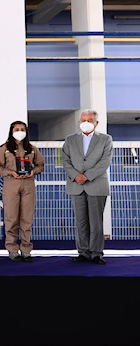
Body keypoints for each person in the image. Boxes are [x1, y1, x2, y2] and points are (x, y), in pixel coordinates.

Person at [62, 109, 113, 265]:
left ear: (96, 123)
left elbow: (105, 162)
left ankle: (96, 253)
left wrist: (87, 176)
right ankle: (83, 252)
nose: (86, 123)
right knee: (81, 222)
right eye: (83, 120)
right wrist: (76, 175)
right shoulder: (70, 140)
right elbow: (66, 160)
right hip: (76, 185)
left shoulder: (105, 139)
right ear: (79, 122)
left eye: (90, 120)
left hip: (96, 184)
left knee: (96, 222)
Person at [0, 121, 45, 262]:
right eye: (17, 129)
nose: (20, 131)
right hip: (11, 184)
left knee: (26, 218)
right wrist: (10, 172)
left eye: (22, 129)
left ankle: (26, 250)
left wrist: (34, 171)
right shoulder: (4, 148)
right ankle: (12, 249)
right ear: (11, 131)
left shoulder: (32, 149)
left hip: (28, 185)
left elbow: (40, 164)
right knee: (11, 218)